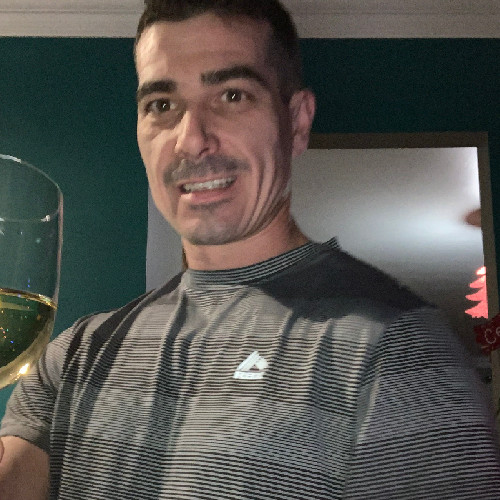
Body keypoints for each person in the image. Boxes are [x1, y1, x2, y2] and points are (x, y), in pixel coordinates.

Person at [1, 0, 499, 498]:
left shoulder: (402, 353)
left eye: (232, 95)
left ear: (297, 122)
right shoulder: (75, 353)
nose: (190, 140)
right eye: (162, 105)